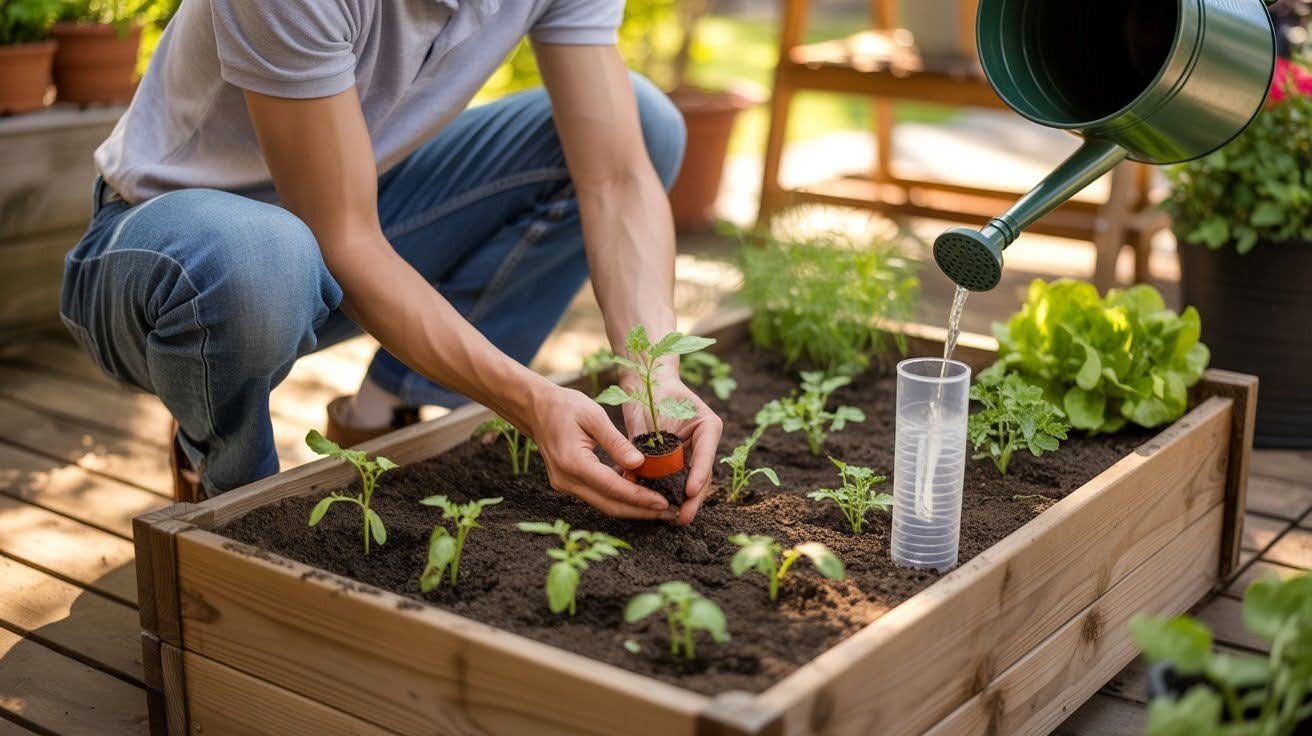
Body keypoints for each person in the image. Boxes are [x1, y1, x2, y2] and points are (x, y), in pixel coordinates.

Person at [58, 0, 723, 525]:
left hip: (355, 208)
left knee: (645, 124)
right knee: (260, 255)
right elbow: (342, 235)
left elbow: (614, 178)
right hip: (166, 256)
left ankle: (381, 412)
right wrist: (530, 400)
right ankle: (232, 491)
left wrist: (651, 375)